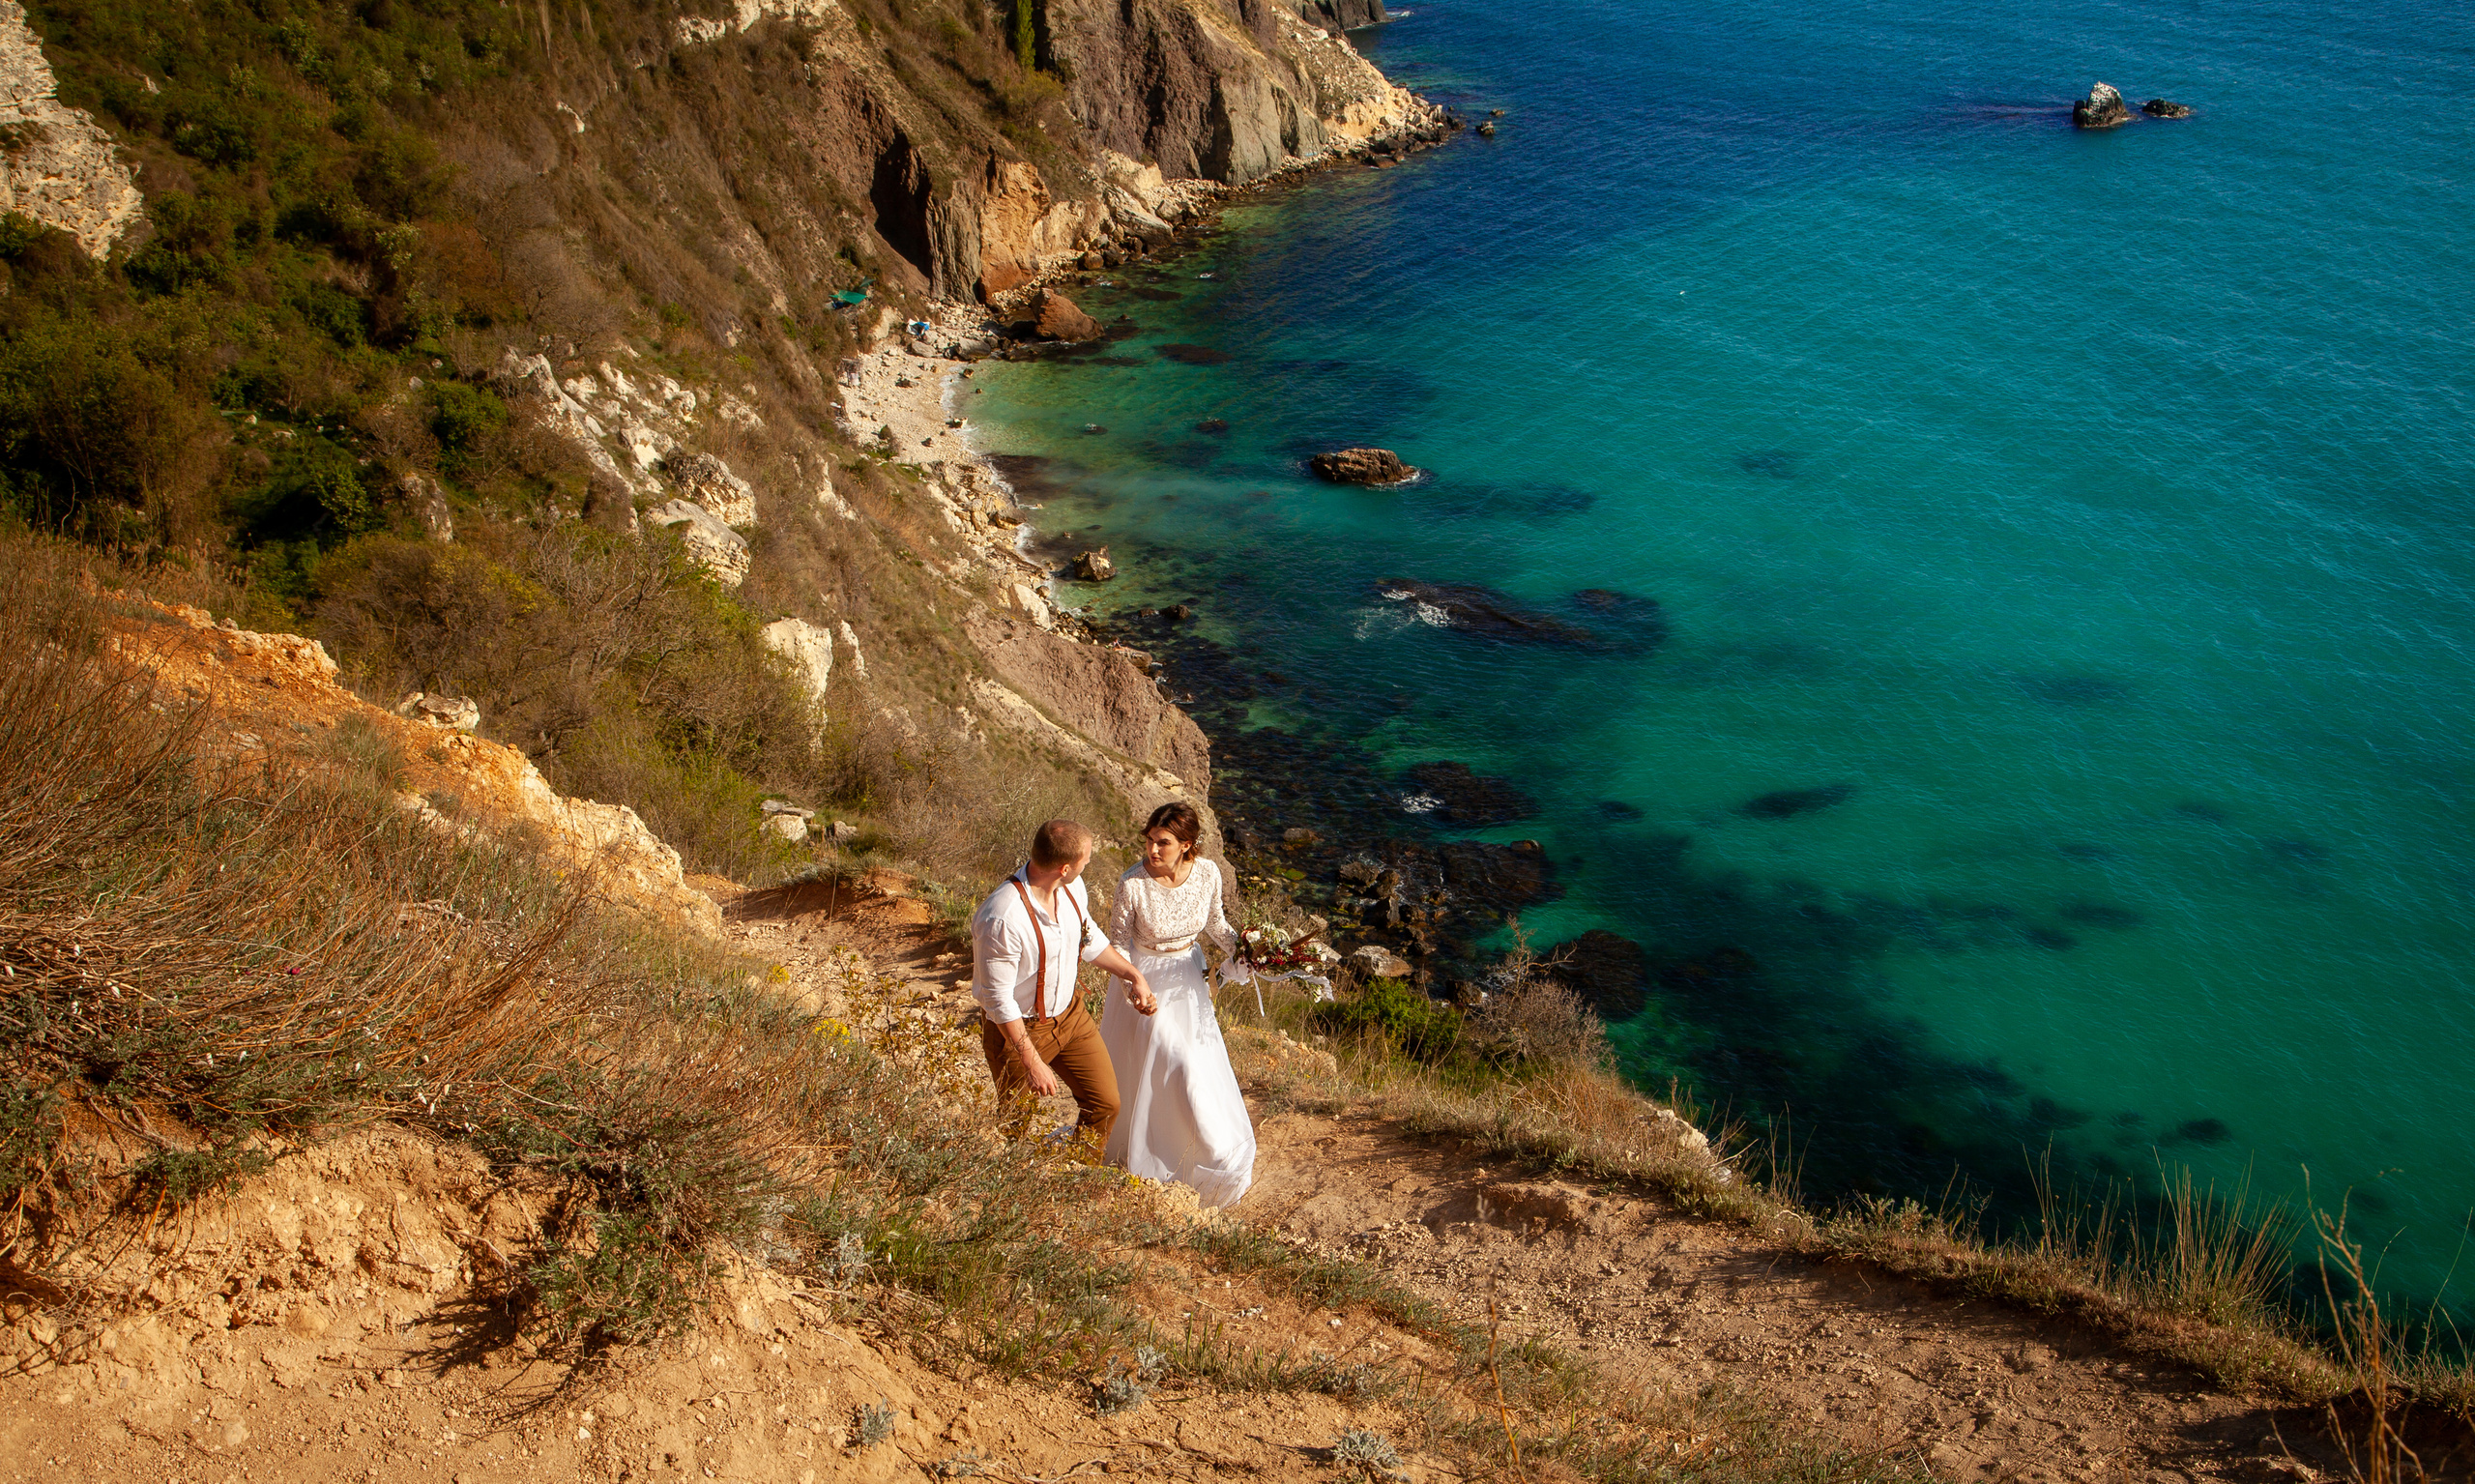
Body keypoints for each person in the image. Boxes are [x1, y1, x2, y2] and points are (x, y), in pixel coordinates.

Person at [1100, 801, 1257, 1208]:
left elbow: (1216, 924)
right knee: (1176, 1063)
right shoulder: (1131, 883)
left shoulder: (1208, 873)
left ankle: (1201, 1155)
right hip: (1144, 982)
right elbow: (1117, 944)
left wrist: (1247, 951)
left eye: (1163, 842)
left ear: (1187, 845)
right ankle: (1178, 1153)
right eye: (1150, 840)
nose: (1152, 850)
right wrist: (1133, 987)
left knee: (1191, 1065)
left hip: (1188, 979)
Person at [971, 820, 1157, 1146]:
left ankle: (1077, 1169)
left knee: (1105, 1104)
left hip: (1071, 1017)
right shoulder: (1002, 918)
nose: (1089, 863)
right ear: (1064, 868)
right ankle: (1015, 1174)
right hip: (1020, 1029)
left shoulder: (1072, 888)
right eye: (1086, 859)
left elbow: (1089, 939)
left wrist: (1133, 975)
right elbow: (998, 1000)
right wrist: (1032, 1061)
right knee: (1015, 1124)